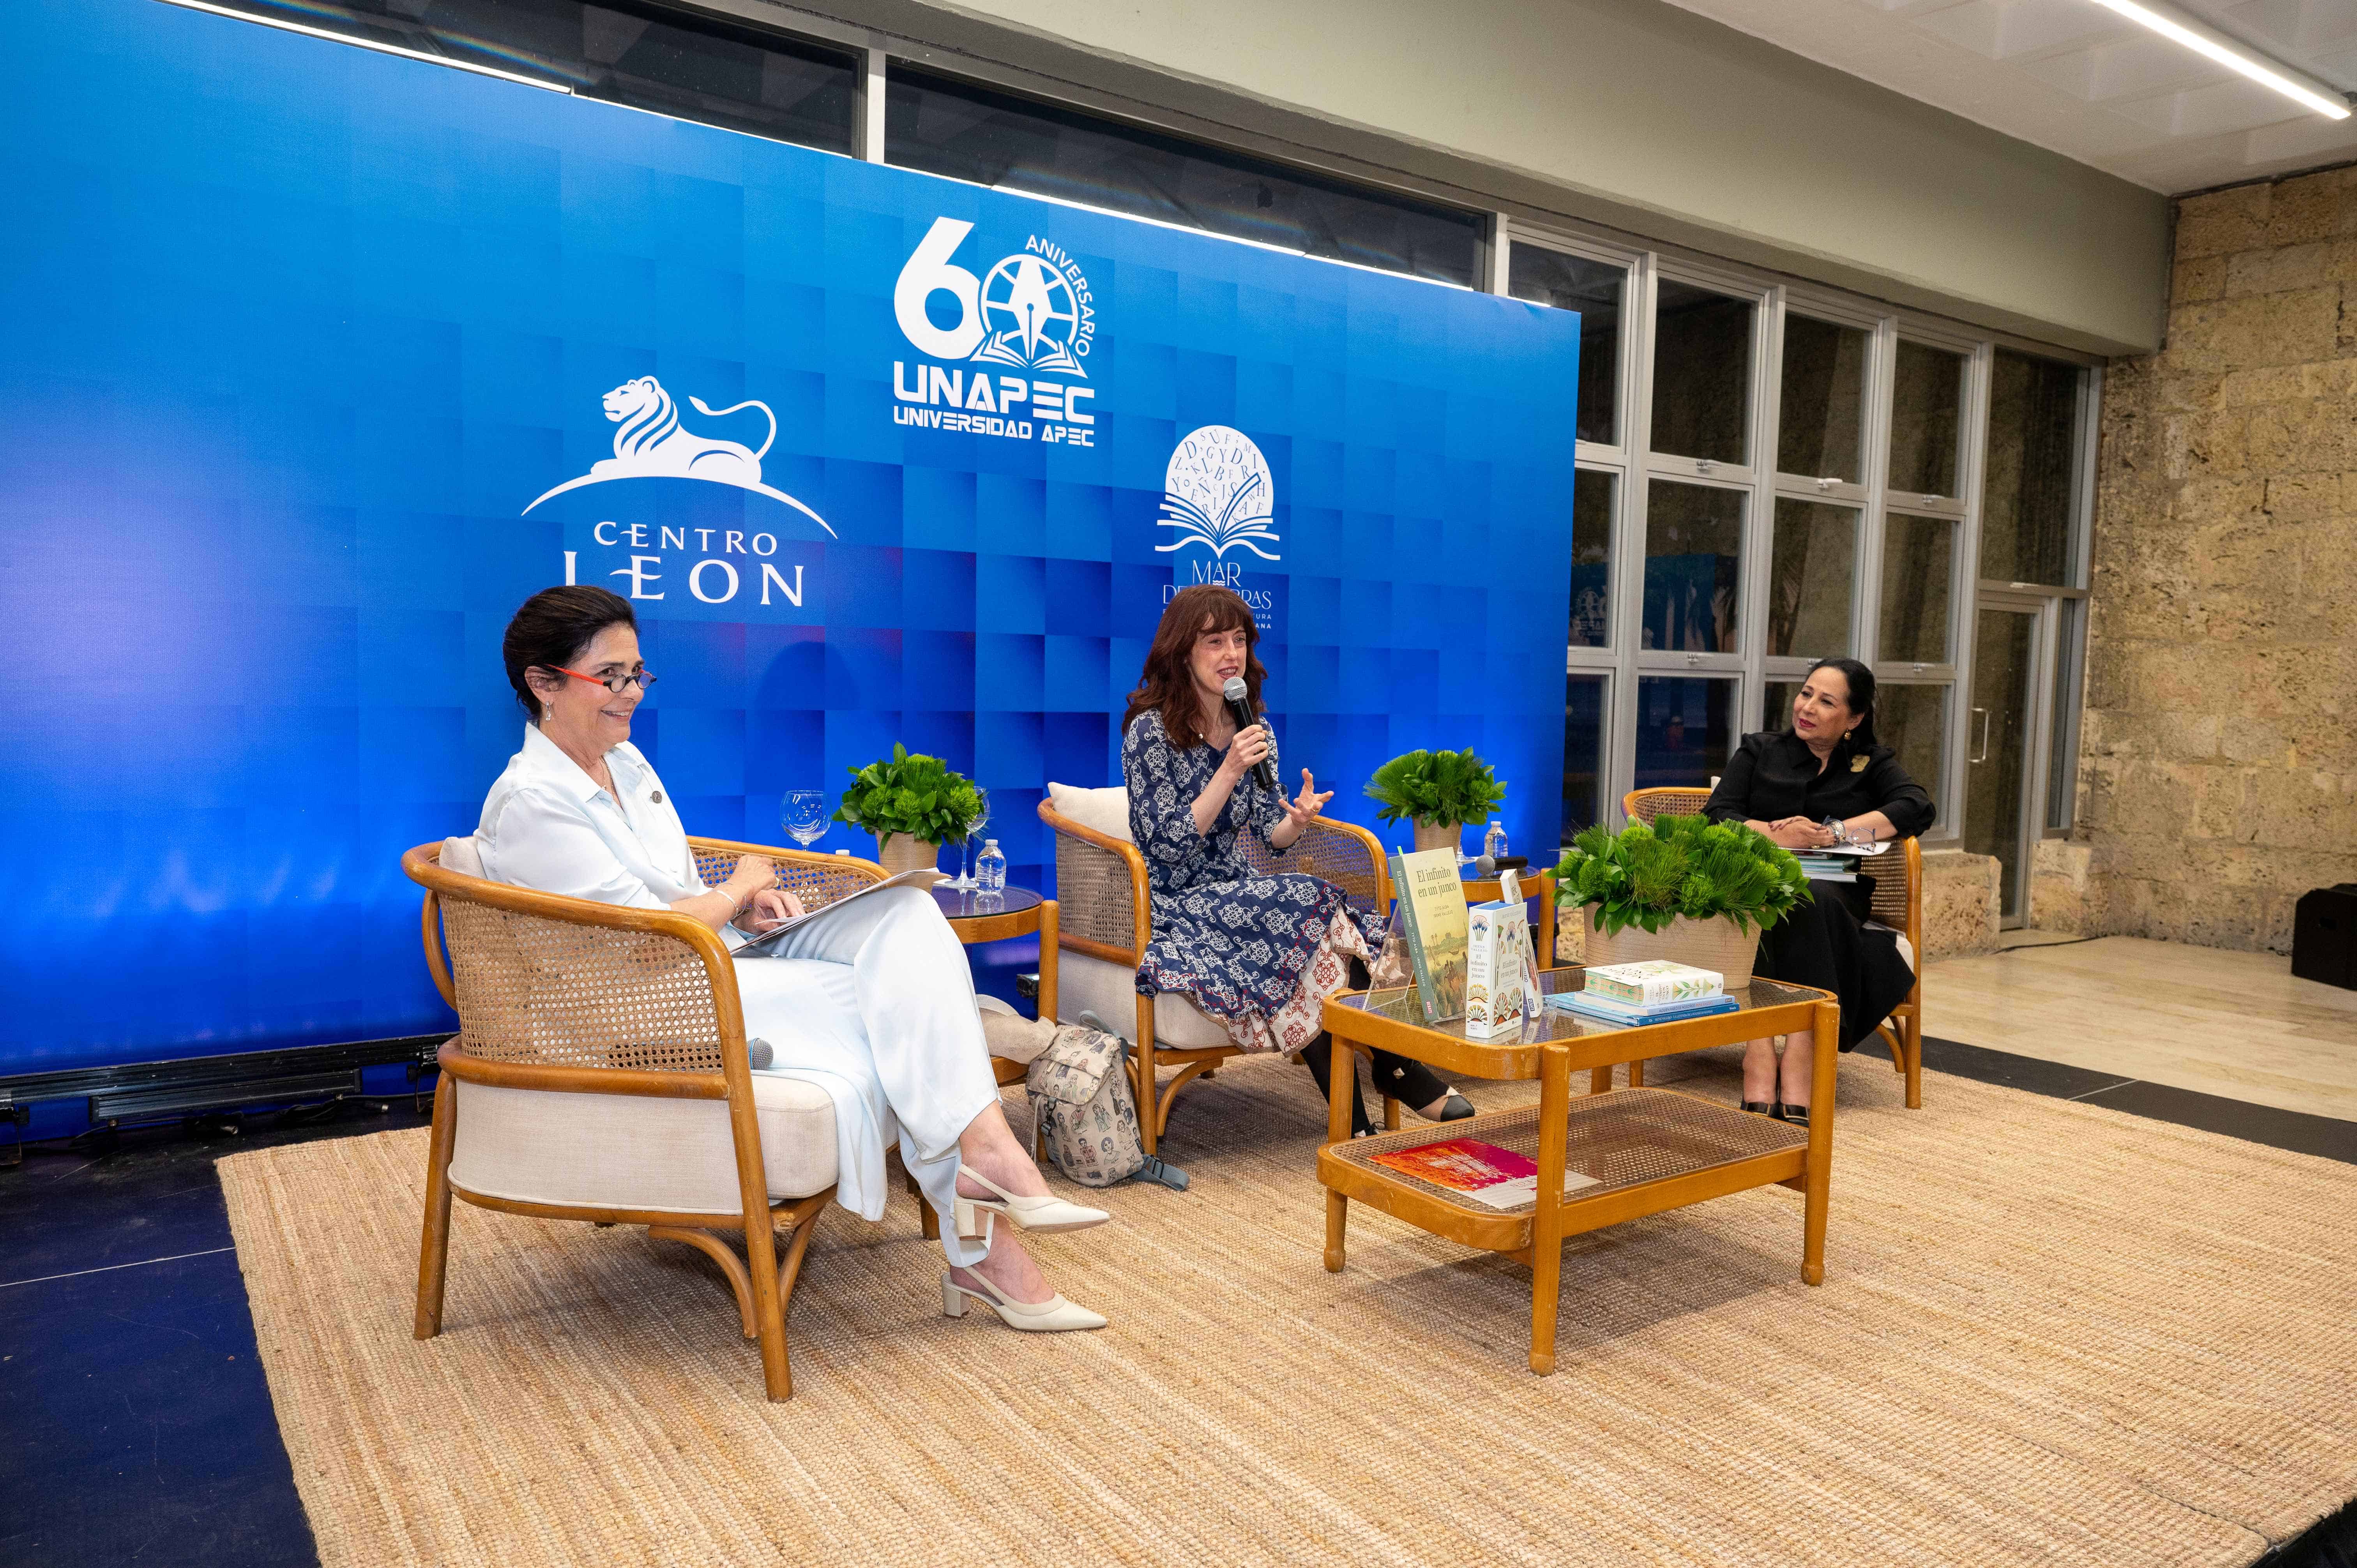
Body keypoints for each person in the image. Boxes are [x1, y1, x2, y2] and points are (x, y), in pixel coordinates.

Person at [474, 586, 1106, 1333]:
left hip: (712, 952)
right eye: (609, 676)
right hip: (649, 1000)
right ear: (543, 683)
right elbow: (639, 935)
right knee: (887, 1007)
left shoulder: (628, 764)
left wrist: (739, 902)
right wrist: (739, 881)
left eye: (639, 673)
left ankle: (990, 1152)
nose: (632, 693)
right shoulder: (529, 801)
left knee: (904, 910)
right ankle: (988, 1246)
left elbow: (666, 894)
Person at [1120, 585, 1475, 1138]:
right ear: (1183, 652)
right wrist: (1228, 771)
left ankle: (1356, 1122)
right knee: (1311, 905)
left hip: (1238, 894)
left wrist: (1299, 819)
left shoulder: (1254, 728)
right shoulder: (1150, 734)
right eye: (1214, 641)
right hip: (1175, 903)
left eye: (1238, 639)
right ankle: (1394, 1065)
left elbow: (1271, 834)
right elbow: (1165, 845)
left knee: (1308, 935)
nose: (1230, 653)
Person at [1702, 658, 1935, 1126]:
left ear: (1854, 719)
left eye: (1826, 701)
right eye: (1806, 693)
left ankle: (1802, 1050)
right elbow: (1716, 814)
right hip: (1756, 881)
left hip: (1835, 890)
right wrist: (1773, 835)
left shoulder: (1872, 764)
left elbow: (1916, 806)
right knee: (1771, 895)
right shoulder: (1759, 750)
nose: (1807, 706)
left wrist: (1830, 835)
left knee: (1811, 898)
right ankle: (1761, 1052)